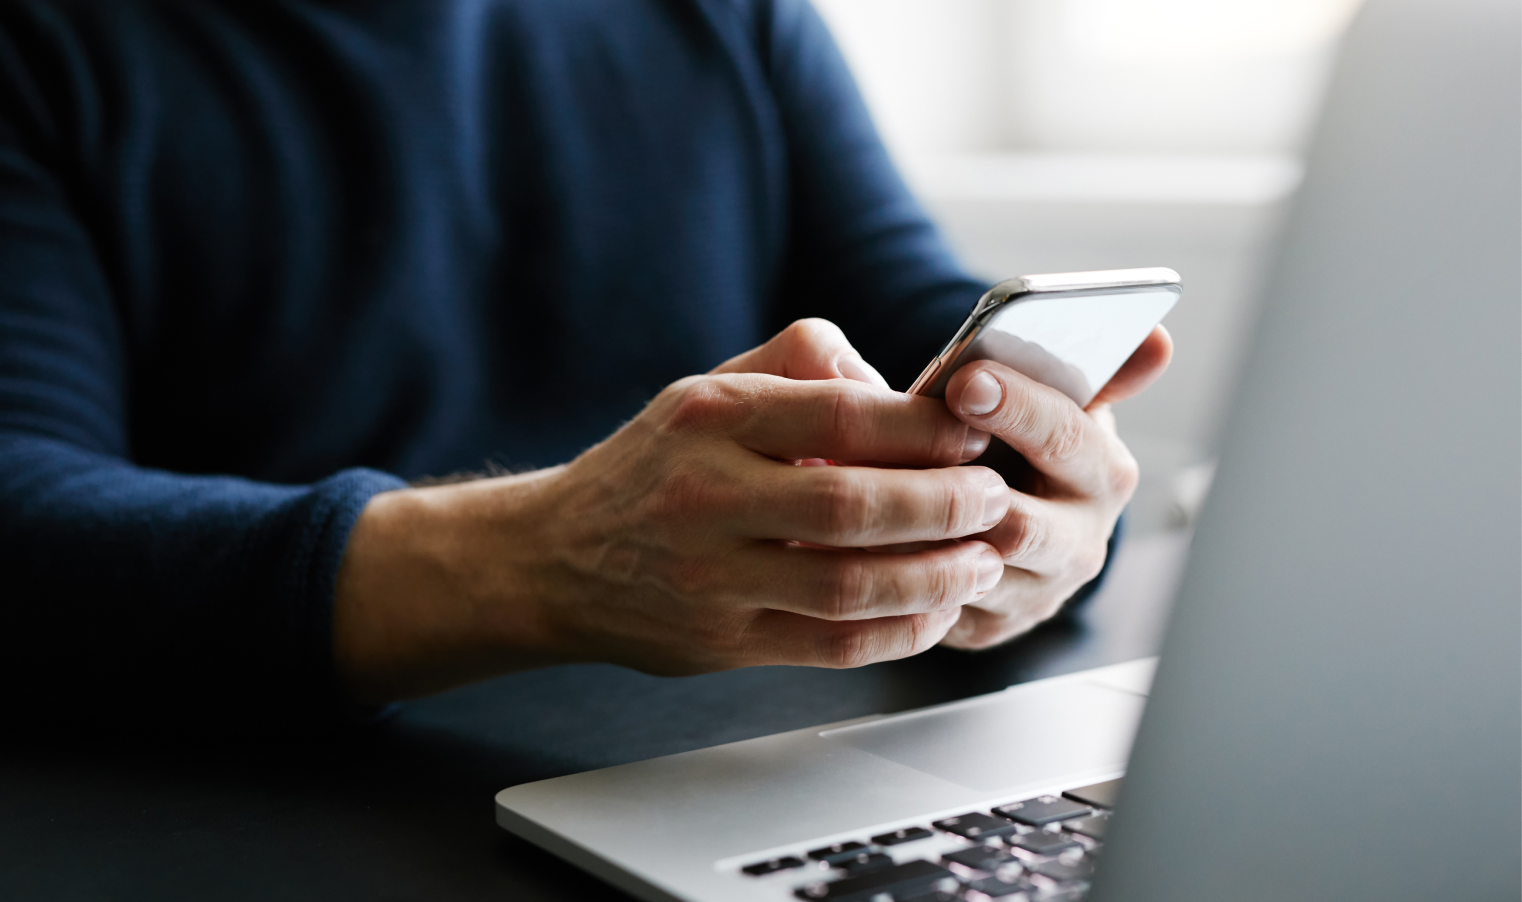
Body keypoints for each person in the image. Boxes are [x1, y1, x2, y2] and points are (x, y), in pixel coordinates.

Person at [0, 0, 1170, 724]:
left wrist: (1045, 501)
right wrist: (536, 563)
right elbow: (23, 516)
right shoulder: (45, 49)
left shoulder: (729, 18)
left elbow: (930, 330)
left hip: (735, 769)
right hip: (251, 807)